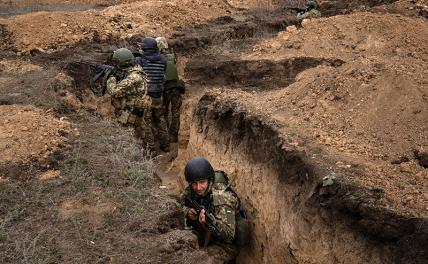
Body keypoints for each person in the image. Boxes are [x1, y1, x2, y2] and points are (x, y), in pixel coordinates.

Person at [180, 157, 245, 263]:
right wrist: (187, 211)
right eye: (194, 183)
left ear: (209, 180)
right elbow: (179, 203)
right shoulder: (191, 190)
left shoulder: (222, 199)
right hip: (206, 235)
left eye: (202, 182)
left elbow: (229, 234)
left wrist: (209, 222)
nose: (198, 187)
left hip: (225, 245)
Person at [106, 48, 154, 150]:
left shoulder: (133, 77)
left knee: (128, 134)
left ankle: (136, 153)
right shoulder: (136, 71)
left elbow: (114, 91)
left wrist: (110, 79)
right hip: (137, 109)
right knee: (143, 130)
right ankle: (150, 150)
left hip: (132, 111)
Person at [135, 37, 170, 152]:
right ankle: (165, 145)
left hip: (147, 96)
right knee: (161, 119)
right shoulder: (163, 60)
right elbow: (163, 76)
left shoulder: (140, 60)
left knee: (147, 122)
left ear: (144, 48)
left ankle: (151, 149)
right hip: (159, 96)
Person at [156, 37, 185, 143]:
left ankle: (166, 135)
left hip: (165, 89)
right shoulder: (172, 56)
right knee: (175, 112)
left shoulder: (157, 59)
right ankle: (174, 135)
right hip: (176, 88)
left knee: (164, 113)